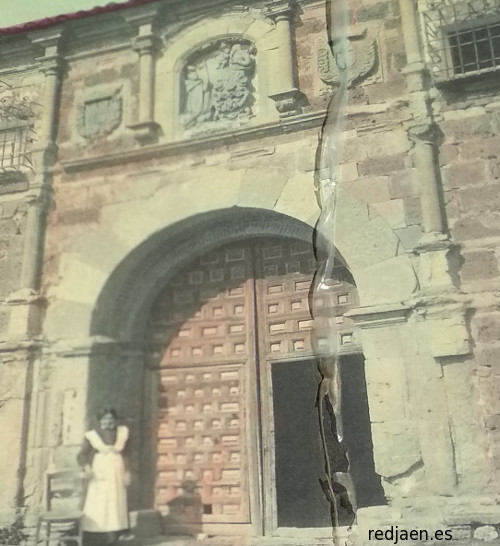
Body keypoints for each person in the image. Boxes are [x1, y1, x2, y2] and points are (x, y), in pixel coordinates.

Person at [77, 408, 130, 546]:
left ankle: (114, 533)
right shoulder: (92, 435)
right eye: (105, 419)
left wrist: (128, 472)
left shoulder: (122, 433)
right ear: (100, 420)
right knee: (99, 501)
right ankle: (95, 533)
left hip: (117, 469)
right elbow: (82, 455)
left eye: (111, 419)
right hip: (99, 470)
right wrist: (87, 467)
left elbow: (128, 454)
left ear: (115, 420)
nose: (108, 422)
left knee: (115, 499)